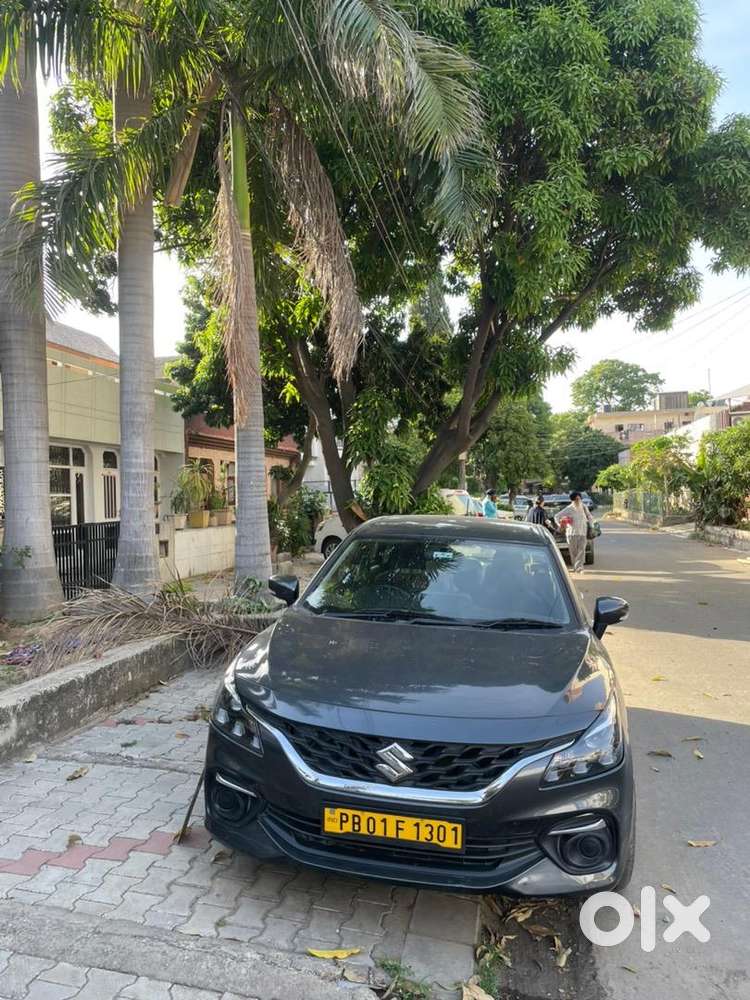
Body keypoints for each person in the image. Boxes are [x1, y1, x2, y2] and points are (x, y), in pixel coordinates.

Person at [557, 491, 593, 573]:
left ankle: (579, 567)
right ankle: (576, 567)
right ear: (572, 500)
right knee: (573, 552)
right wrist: (562, 523)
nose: (578, 501)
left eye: (579, 499)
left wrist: (591, 525)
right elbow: (557, 516)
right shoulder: (569, 509)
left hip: (583, 532)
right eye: (576, 499)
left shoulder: (584, 507)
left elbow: (589, 516)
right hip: (571, 534)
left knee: (582, 550)